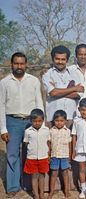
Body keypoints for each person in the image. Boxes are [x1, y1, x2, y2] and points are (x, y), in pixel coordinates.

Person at [0, 52, 44, 198]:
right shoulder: (4, 82)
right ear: (11, 64)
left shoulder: (33, 81)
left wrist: (41, 124)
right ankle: (13, 186)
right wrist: (3, 128)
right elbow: (1, 105)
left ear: (26, 64)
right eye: (16, 63)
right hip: (12, 120)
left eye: (22, 63)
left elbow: (39, 102)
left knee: (30, 154)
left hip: (30, 121)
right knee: (12, 154)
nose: (19, 66)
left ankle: (28, 184)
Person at [42, 45, 84, 128]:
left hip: (71, 117)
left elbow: (78, 94)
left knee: (71, 140)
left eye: (63, 59)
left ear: (67, 60)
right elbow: (52, 93)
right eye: (57, 59)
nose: (60, 62)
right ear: (53, 59)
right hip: (54, 118)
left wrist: (57, 92)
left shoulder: (74, 74)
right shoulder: (47, 74)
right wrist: (74, 89)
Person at [23, 109, 50, 199]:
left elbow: (48, 142)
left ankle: (41, 194)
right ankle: (36, 195)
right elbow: (26, 143)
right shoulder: (28, 131)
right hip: (32, 157)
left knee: (42, 176)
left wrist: (48, 154)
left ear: (43, 120)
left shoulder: (46, 130)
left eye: (39, 121)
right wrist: (31, 152)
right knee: (34, 176)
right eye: (34, 121)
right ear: (31, 121)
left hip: (43, 157)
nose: (37, 123)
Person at [48, 110, 72, 199]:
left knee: (65, 173)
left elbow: (70, 144)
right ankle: (51, 192)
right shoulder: (51, 131)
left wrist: (69, 155)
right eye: (57, 121)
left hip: (64, 155)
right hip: (54, 155)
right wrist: (49, 155)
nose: (59, 123)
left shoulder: (67, 131)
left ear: (65, 121)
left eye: (61, 121)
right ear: (54, 121)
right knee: (54, 173)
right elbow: (49, 144)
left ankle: (66, 191)